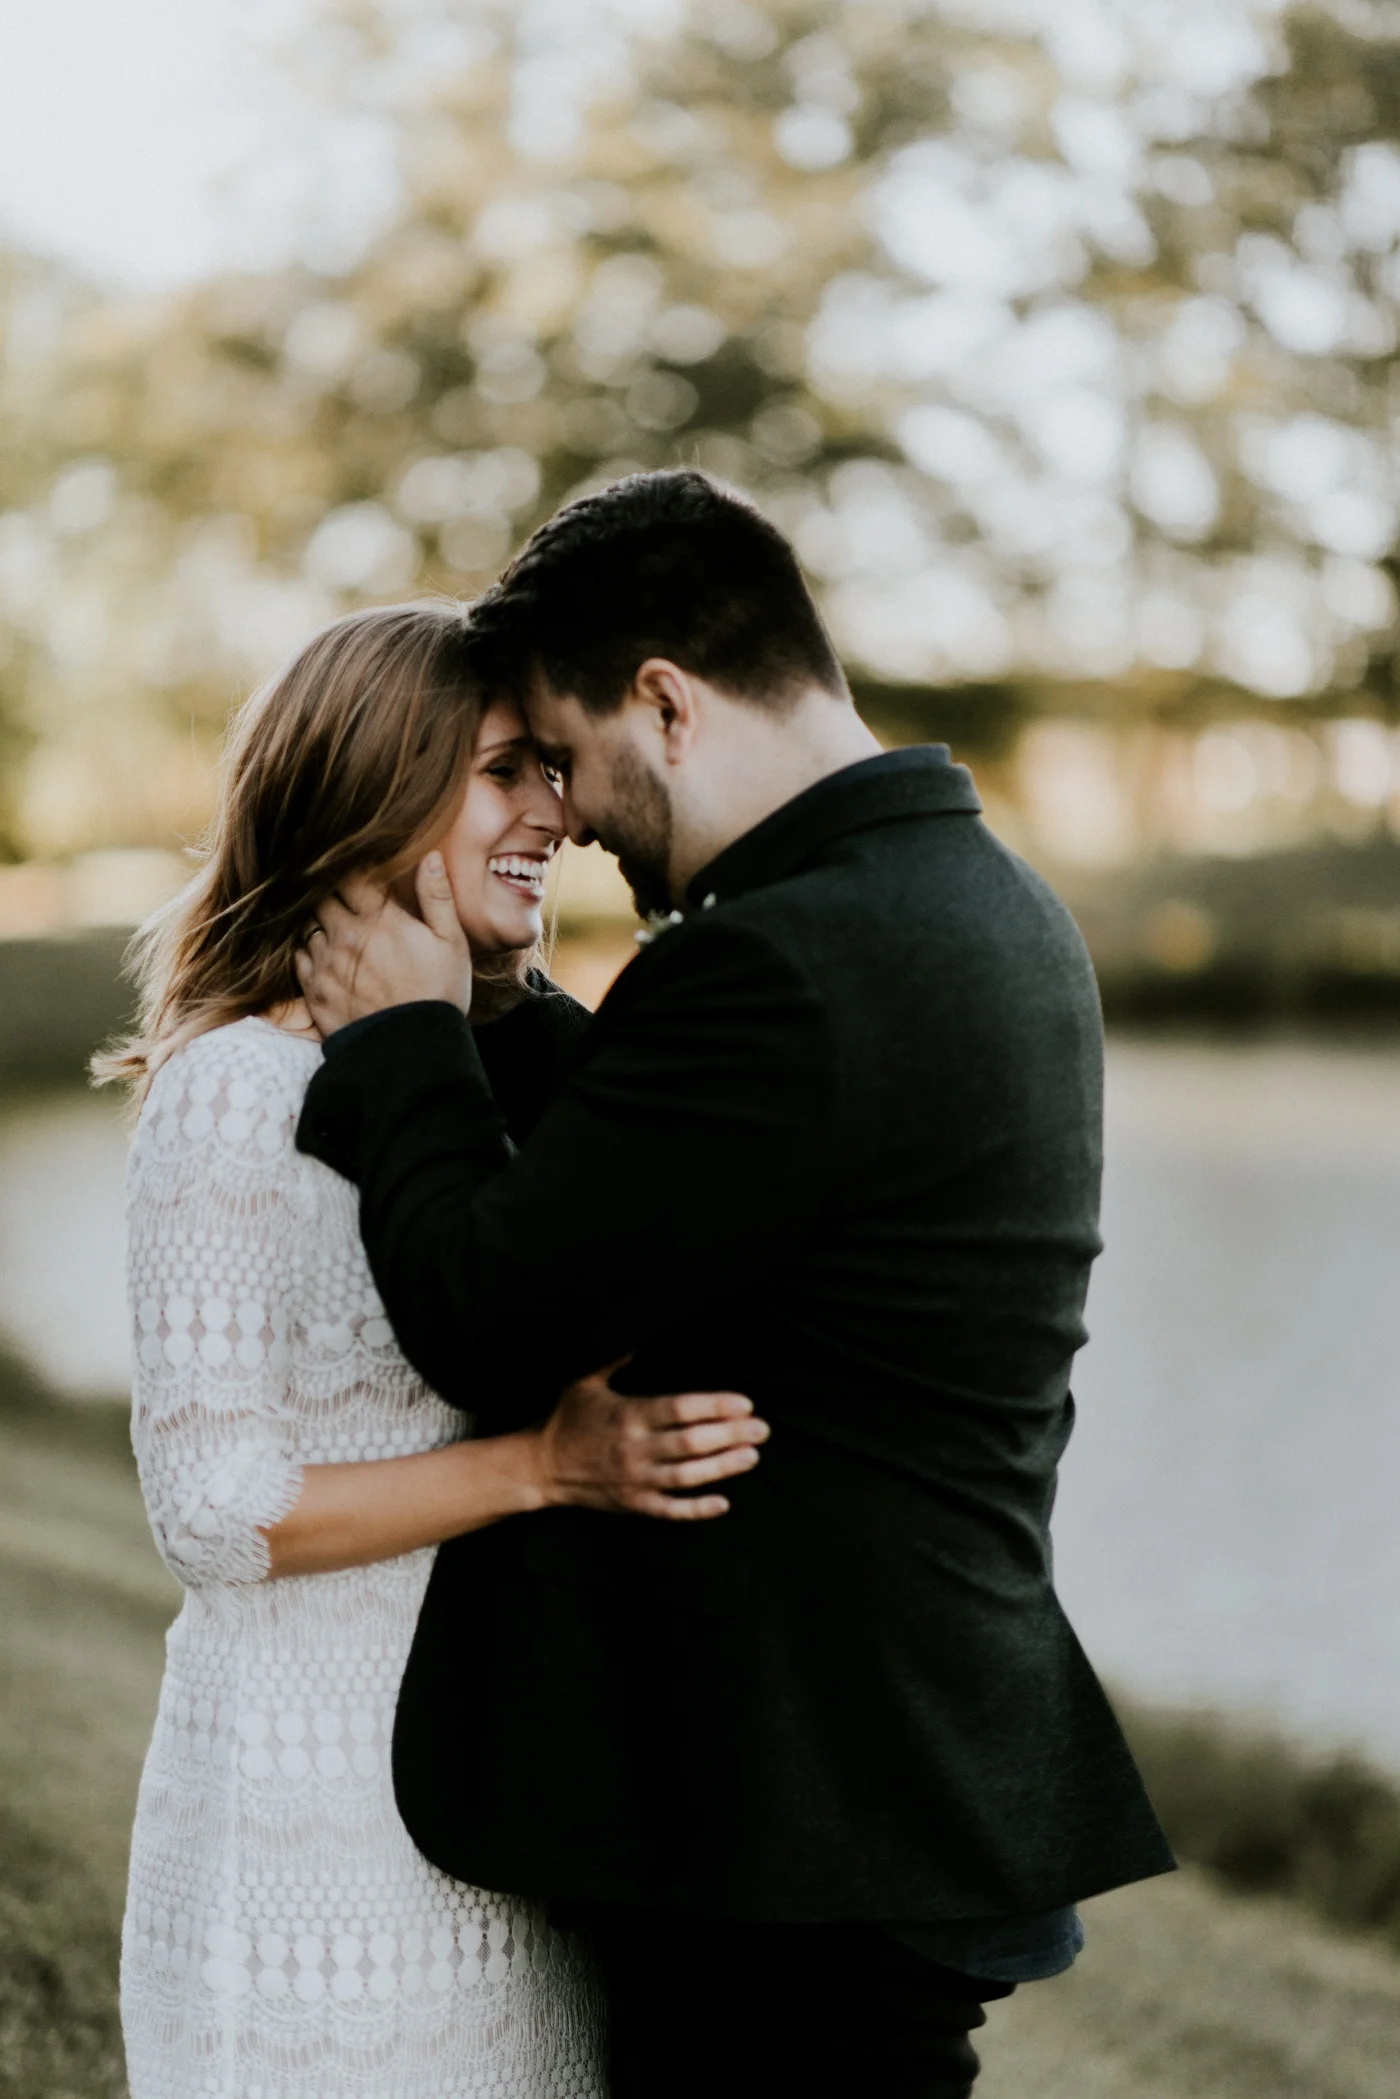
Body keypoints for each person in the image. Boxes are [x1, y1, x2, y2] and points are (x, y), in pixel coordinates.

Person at [293, 470, 1176, 2099]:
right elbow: (695, 1167)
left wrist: (403, 1040)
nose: (568, 811)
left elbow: (488, 1308)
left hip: (802, 1808)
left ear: (666, 703)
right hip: (890, 1768)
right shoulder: (983, 905)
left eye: (564, 756)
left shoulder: (773, 961)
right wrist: (500, 1007)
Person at [96, 601, 770, 2099]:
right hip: (308, 1799)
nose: (554, 811)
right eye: (500, 772)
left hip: (499, 1795)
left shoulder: (478, 1080)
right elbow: (215, 1509)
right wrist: (542, 1467)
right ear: (370, 789)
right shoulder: (235, 1095)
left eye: (549, 768)